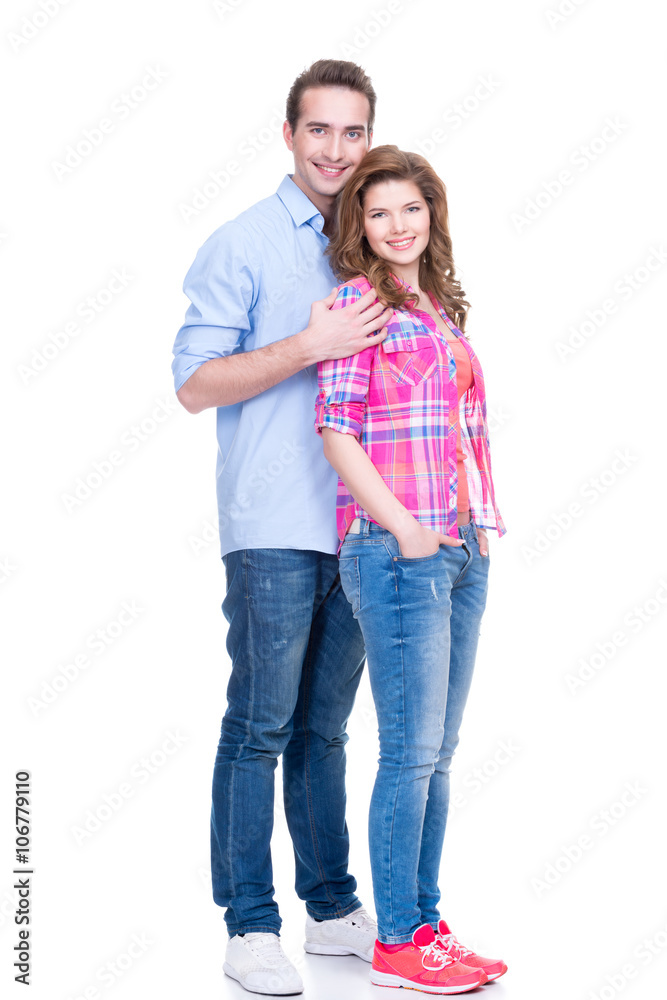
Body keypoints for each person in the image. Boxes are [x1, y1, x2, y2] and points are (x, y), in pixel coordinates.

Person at [172, 60, 394, 996]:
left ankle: (331, 907)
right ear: (289, 134)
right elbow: (192, 385)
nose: (336, 150)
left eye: (353, 133)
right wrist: (308, 345)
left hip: (359, 525)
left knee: (326, 731)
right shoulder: (245, 242)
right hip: (270, 524)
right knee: (259, 726)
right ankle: (250, 924)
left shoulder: (377, 237)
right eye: (320, 131)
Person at [315, 145, 509, 994]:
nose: (397, 225)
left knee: (437, 752)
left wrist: (466, 530)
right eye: (379, 211)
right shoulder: (357, 305)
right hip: (395, 549)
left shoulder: (436, 307)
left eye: (411, 209)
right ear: (359, 225)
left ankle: (425, 922)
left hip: (461, 546)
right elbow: (335, 428)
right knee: (407, 752)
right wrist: (405, 527)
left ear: (432, 215)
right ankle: (397, 940)